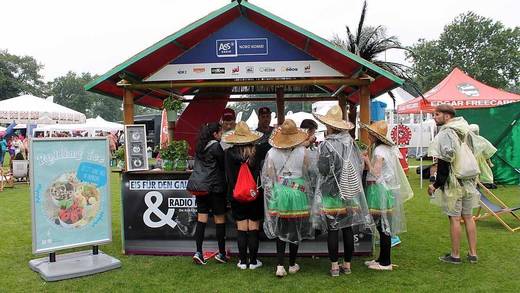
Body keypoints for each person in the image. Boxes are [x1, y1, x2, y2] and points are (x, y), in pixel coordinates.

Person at [313, 105, 373, 277]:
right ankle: (347, 265)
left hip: (331, 191)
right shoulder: (351, 143)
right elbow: (359, 165)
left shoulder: (326, 145)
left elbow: (323, 169)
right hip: (349, 191)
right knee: (348, 229)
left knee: (333, 230)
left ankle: (334, 266)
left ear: (330, 126)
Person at [428, 104, 480, 264]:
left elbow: (444, 161)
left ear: (447, 116)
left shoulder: (446, 133)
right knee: (469, 217)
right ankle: (473, 254)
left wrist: (435, 184)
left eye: (437, 114)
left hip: (454, 181)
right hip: (469, 180)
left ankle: (455, 255)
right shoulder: (466, 128)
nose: (434, 117)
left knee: (455, 219)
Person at [262, 119, 314, 277]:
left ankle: (279, 266)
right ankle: (292, 264)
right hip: (298, 191)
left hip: (280, 191)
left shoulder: (271, 153)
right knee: (294, 229)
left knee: (281, 229)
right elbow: (307, 170)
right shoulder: (303, 151)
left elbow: (269, 175)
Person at [360, 121, 413, 271]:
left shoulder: (379, 152)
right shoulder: (386, 149)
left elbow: (376, 173)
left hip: (379, 190)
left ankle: (385, 262)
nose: (368, 135)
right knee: (383, 225)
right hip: (386, 189)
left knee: (383, 226)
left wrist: (366, 162)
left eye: (370, 133)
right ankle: (381, 259)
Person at [222, 121, 264, 270]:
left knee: (241, 229)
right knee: (253, 228)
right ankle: (253, 262)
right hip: (254, 195)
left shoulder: (228, 154)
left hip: (236, 194)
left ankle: (242, 261)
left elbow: (227, 175)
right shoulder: (257, 152)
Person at [186, 122, 228, 265]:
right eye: (221, 133)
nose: (222, 135)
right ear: (215, 134)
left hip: (201, 187)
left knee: (201, 219)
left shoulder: (200, 147)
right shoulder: (216, 147)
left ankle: (198, 252)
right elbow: (223, 165)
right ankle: (221, 253)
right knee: (219, 220)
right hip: (216, 187)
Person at [469, 124, 497, 189]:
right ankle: (477, 183)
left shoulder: (481, 139)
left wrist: (489, 161)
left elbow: (486, 151)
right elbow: (487, 151)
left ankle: (484, 183)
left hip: (477, 159)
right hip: (472, 159)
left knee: (483, 171)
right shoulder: (468, 140)